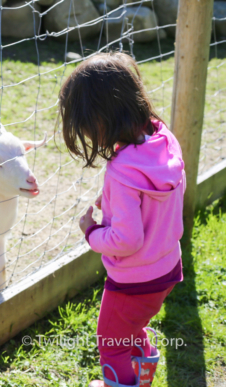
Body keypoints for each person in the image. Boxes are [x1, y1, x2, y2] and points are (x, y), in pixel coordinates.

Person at [59, 52, 185, 387]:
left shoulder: (121, 170)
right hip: (167, 268)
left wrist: (93, 232)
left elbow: (127, 240)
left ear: (100, 120)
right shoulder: (163, 141)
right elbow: (152, 201)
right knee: (132, 330)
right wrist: (115, 201)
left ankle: (121, 384)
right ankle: (142, 380)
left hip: (133, 281)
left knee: (112, 345)